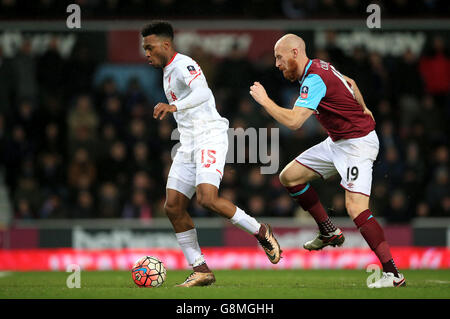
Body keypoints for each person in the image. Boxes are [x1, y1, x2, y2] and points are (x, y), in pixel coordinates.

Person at [249, 34, 405, 288]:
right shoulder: (320, 65)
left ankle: (393, 274)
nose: (277, 63)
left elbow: (295, 122)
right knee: (289, 177)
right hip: (337, 142)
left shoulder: (314, 79)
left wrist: (265, 100)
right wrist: (364, 108)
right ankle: (328, 230)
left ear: (295, 53)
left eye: (280, 57)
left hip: (357, 144)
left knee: (356, 208)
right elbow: (351, 83)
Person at [141, 21, 281, 287]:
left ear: (166, 44)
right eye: (144, 48)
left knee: (207, 198)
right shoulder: (168, 71)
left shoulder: (184, 64)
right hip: (188, 143)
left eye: (149, 47)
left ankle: (261, 231)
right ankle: (201, 269)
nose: (146, 53)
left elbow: (203, 92)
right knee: (172, 206)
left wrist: (173, 106)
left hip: (210, 137)